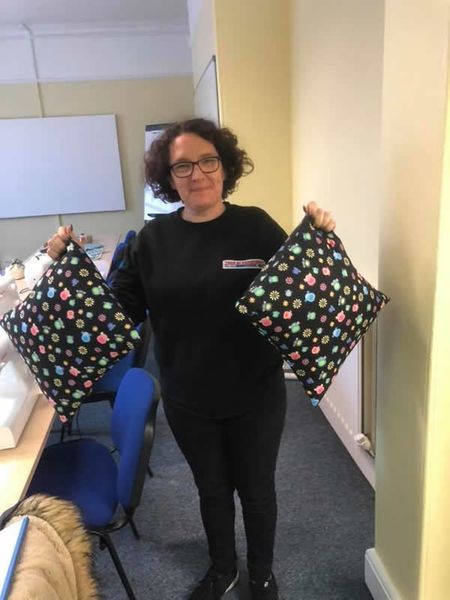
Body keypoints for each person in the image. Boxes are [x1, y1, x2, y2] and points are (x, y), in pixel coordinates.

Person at [47, 118, 335, 600]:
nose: (197, 174)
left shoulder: (256, 226)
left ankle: (261, 574)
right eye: (183, 166)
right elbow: (119, 310)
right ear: (169, 177)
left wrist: (319, 236)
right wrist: (70, 270)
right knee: (212, 490)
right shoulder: (152, 240)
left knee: (257, 489)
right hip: (188, 395)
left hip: (255, 392)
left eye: (207, 161)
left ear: (224, 168)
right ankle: (223, 569)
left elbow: (298, 287)